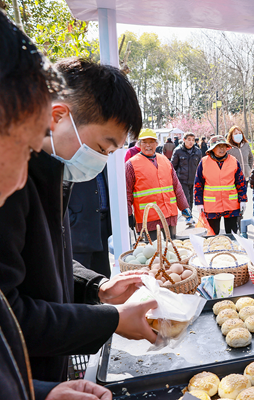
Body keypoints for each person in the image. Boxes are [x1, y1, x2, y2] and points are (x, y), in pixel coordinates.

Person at [0, 56, 158, 384]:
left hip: (44, 376)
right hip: (19, 377)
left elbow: (48, 261)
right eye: (103, 146)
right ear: (59, 117)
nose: (102, 160)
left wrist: (96, 287)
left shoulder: (53, 173)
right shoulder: (11, 181)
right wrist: (110, 320)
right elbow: (9, 313)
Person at [0, 12, 115, 400]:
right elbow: (16, 312)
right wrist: (110, 321)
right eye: (26, 148)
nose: (20, 176)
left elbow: (55, 261)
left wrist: (41, 393)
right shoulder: (22, 188)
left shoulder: (53, 176)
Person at [126, 128, 192, 239]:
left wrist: (184, 206)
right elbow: (127, 192)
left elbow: (176, 186)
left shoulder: (165, 160)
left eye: (151, 142)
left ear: (157, 144)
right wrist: (128, 214)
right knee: (153, 252)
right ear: (139, 144)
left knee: (173, 248)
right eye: (144, 142)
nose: (148, 145)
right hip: (148, 219)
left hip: (170, 215)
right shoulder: (131, 165)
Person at [194, 135, 247, 234]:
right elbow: (198, 184)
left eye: (224, 146)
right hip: (211, 206)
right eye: (219, 146)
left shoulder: (233, 161)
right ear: (213, 148)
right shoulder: (204, 162)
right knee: (212, 235)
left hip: (231, 205)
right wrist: (199, 203)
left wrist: (243, 200)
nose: (222, 149)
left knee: (232, 234)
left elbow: (241, 182)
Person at [68, 166, 112, 277]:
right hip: (80, 230)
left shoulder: (105, 161)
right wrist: (71, 219)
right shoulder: (74, 159)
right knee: (81, 276)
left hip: (102, 226)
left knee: (103, 274)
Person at [171, 132, 202, 223]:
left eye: (193, 140)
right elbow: (173, 167)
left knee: (192, 200)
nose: (191, 142)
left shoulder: (197, 151)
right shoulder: (178, 151)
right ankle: (188, 217)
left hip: (194, 180)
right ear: (184, 140)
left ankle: (189, 214)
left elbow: (200, 166)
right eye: (189, 140)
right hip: (182, 180)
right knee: (186, 199)